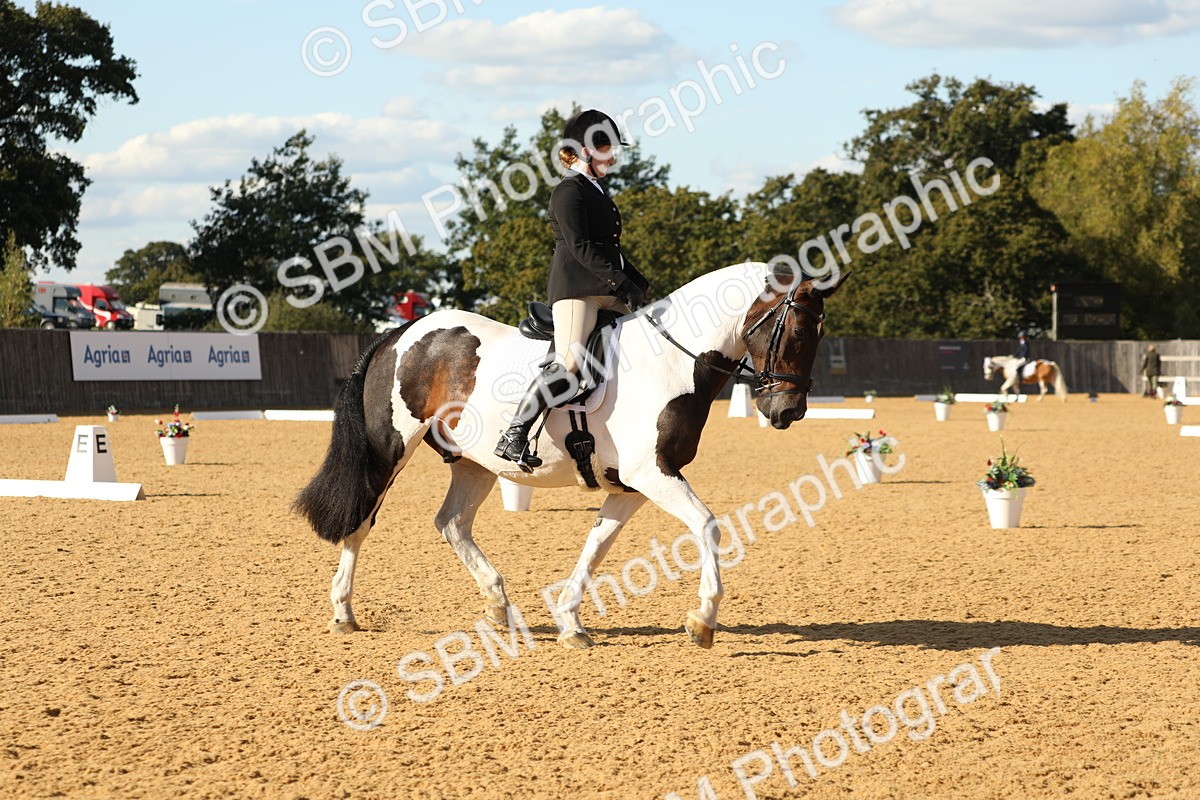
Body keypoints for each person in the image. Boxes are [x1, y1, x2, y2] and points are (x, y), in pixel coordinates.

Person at [494, 109, 651, 469]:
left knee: (642, 349)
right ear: (584, 150)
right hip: (577, 287)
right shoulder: (568, 191)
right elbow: (581, 249)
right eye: (606, 147)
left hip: (605, 285)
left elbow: (611, 250)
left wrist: (638, 284)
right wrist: (621, 283)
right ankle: (514, 434)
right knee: (570, 365)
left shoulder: (597, 191)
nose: (612, 155)